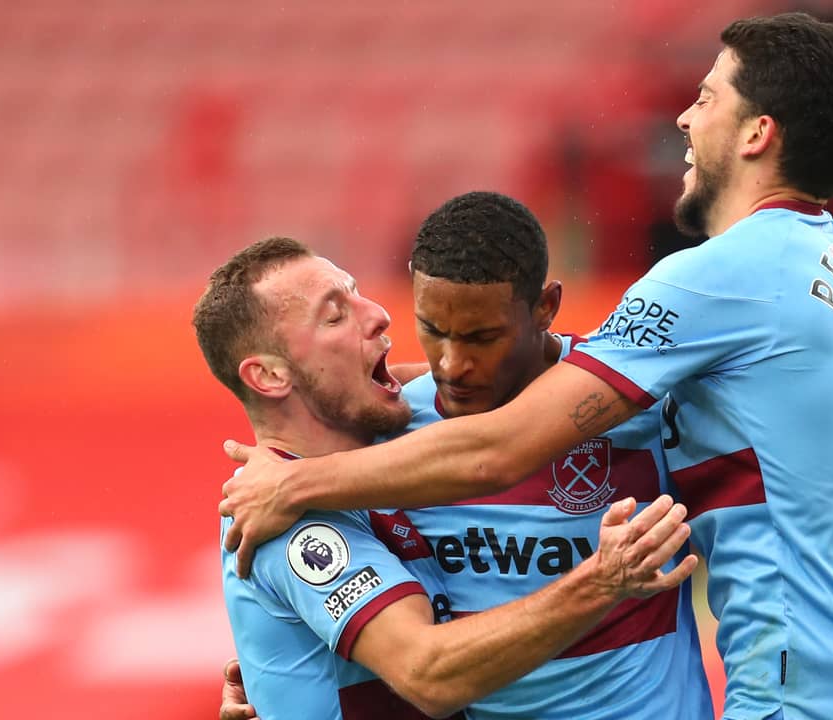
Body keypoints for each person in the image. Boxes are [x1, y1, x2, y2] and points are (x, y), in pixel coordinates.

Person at [220, 13, 833, 720]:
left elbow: (499, 447)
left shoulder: (721, 275)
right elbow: (546, 369)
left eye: (706, 99)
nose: (684, 121)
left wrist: (291, 484)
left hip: (807, 682)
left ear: (759, 134)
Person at [220, 192, 713, 720]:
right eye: (432, 330)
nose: (453, 365)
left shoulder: (630, 405)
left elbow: (733, 538)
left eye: (482, 337)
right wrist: (280, 671)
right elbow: (404, 655)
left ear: (545, 307)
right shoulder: (390, 433)